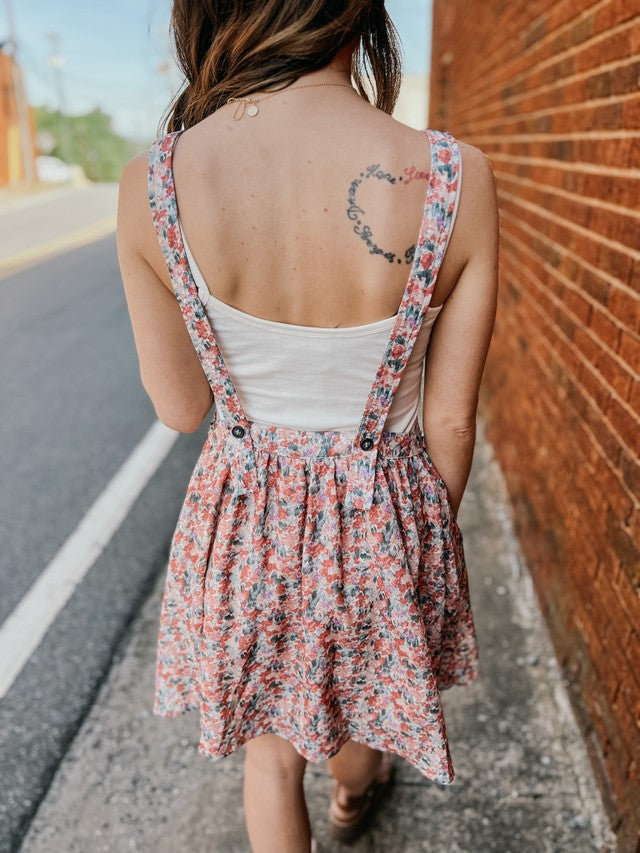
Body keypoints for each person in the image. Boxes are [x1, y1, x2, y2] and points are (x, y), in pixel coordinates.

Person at [116, 1, 499, 850]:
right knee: (370, 706)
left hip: (247, 515)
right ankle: (356, 796)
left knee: (270, 759)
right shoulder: (452, 173)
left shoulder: (154, 182)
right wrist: (420, 539)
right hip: (386, 507)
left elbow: (180, 408)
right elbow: (451, 418)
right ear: (359, 16)